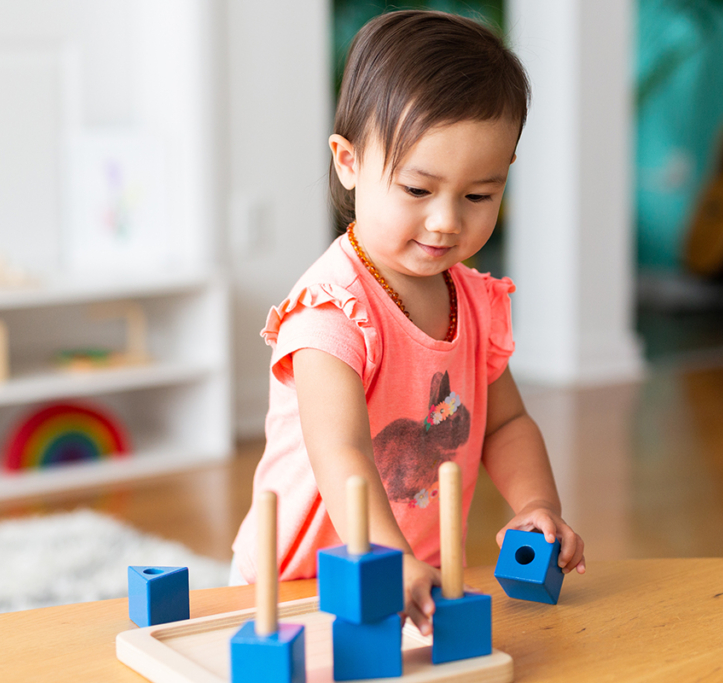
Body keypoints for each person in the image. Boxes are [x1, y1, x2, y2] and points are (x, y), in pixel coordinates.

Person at [231, 9, 585, 636]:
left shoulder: (474, 301)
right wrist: (386, 560)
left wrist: (536, 506)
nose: (448, 221)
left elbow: (506, 422)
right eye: (418, 191)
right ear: (348, 162)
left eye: (479, 195)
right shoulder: (330, 311)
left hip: (410, 578)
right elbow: (341, 452)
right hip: (295, 590)